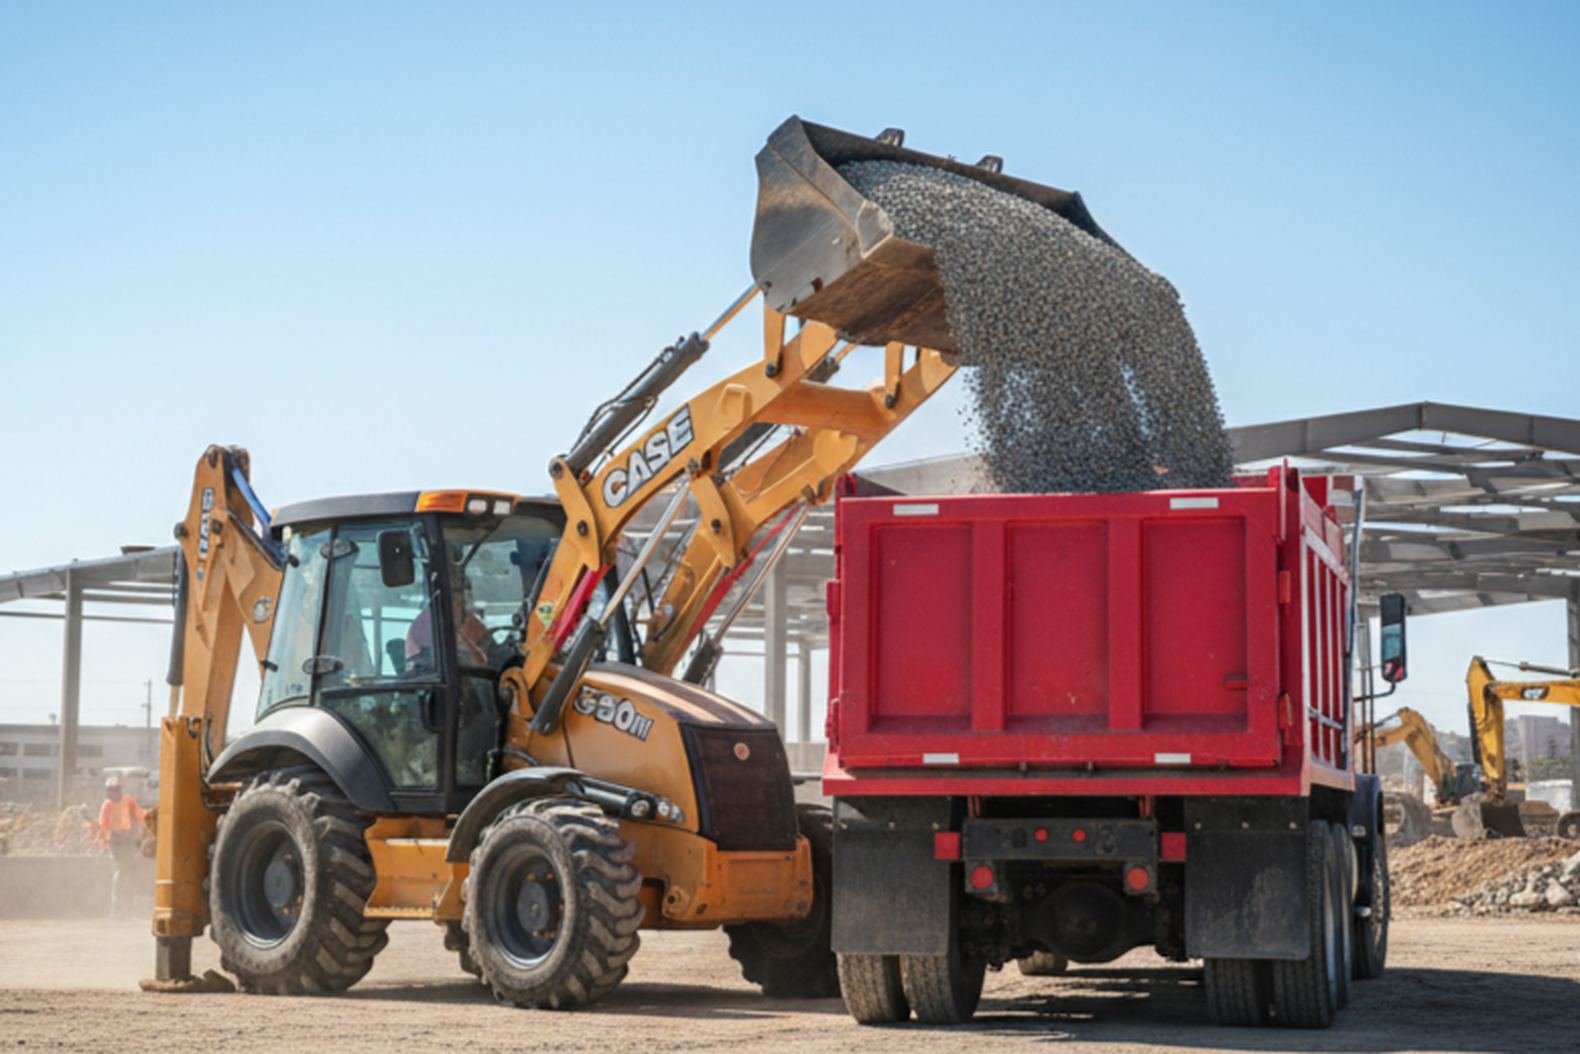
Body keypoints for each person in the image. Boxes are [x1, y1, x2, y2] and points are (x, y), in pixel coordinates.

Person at [96, 776, 147, 916]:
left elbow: (139, 815)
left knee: (131, 873)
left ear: (120, 790)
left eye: (116, 790)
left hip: (129, 841)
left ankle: (129, 908)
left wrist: (142, 827)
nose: (114, 793)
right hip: (116, 842)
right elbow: (103, 826)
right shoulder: (107, 805)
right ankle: (116, 908)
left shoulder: (128, 801)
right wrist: (103, 841)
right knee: (121, 871)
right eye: (111, 790)